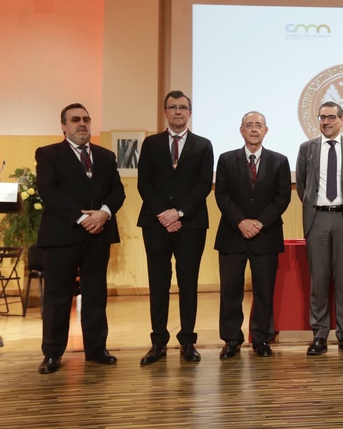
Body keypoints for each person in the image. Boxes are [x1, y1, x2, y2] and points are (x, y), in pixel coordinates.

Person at [35, 103, 126, 374]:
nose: (82, 124)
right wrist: (81, 217)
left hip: (98, 235)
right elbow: (48, 192)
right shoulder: (49, 154)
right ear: (63, 126)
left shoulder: (106, 156)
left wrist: (103, 214)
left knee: (96, 295)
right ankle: (52, 353)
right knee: (57, 297)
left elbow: (117, 192)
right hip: (62, 236)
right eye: (75, 120)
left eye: (86, 119)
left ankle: (96, 349)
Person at [137, 90, 214, 364]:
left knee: (188, 284)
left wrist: (179, 212)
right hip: (155, 223)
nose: (178, 111)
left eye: (183, 107)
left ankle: (188, 342)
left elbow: (204, 184)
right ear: (165, 112)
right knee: (158, 284)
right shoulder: (150, 143)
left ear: (190, 113)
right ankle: (158, 343)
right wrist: (163, 214)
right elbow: (143, 183)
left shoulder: (203, 145)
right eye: (173, 107)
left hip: (191, 224)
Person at [215, 112, 291, 358]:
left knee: (264, 292)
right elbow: (222, 196)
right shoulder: (226, 160)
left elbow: (282, 197)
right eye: (249, 125)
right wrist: (241, 222)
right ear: (241, 130)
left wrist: (259, 223)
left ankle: (261, 339)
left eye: (259, 125)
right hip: (232, 235)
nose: (254, 129)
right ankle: (231, 340)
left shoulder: (280, 161)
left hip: (265, 236)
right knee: (230, 292)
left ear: (266, 131)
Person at [296, 101, 343, 355]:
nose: (325, 122)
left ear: (342, 119)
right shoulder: (307, 148)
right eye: (321, 117)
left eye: (330, 117)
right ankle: (319, 335)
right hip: (317, 220)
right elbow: (303, 186)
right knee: (319, 281)